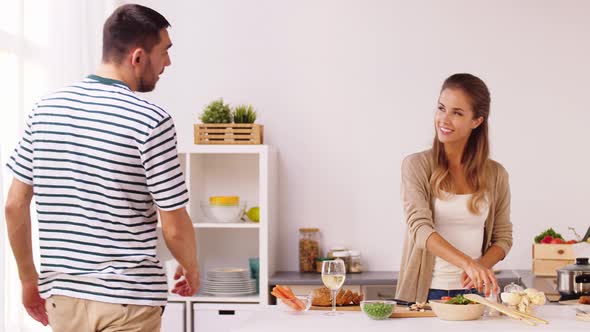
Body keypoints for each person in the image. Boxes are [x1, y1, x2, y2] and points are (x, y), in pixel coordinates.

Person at [4, 4, 199, 331]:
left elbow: (14, 205)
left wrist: (28, 280)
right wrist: (191, 267)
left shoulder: (44, 111)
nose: (168, 63)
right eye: (164, 52)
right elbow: (175, 226)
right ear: (138, 57)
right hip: (128, 300)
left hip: (62, 301)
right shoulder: (150, 120)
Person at [395, 73, 513, 303]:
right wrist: (467, 263)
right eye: (441, 108)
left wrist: (478, 268)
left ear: (477, 121)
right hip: (427, 293)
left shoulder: (496, 174)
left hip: (480, 294)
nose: (444, 119)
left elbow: (503, 238)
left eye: (457, 113)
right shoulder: (416, 166)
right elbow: (420, 229)